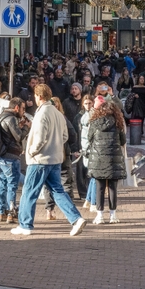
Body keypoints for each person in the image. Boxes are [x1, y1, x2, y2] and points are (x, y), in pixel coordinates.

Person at [11, 84, 87, 237]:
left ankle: (25, 224)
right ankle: (76, 218)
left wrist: (32, 151)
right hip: (55, 158)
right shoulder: (58, 114)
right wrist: (56, 146)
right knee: (57, 190)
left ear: (39, 96)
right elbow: (65, 136)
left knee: (29, 191)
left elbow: (40, 138)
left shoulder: (42, 113)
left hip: (40, 159)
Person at [86, 95, 128, 224]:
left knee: (99, 187)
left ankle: (99, 215)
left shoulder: (94, 122)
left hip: (98, 158)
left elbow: (89, 138)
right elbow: (123, 141)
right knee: (112, 187)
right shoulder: (118, 123)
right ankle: (113, 215)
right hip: (113, 159)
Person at [44, 98, 79, 218]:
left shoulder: (43, 117)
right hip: (62, 152)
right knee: (66, 180)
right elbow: (72, 134)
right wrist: (69, 146)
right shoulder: (62, 118)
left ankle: (49, 210)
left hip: (47, 154)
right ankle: (69, 210)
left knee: (48, 183)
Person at [0, 98, 30, 223]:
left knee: (2, 185)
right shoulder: (11, 119)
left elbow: (9, 134)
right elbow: (19, 136)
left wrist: (19, 126)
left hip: (2, 156)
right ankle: (11, 213)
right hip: (11, 156)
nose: (23, 112)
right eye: (23, 108)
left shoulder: (2, 117)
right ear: (16, 108)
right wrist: (26, 127)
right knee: (12, 186)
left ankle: (2, 212)